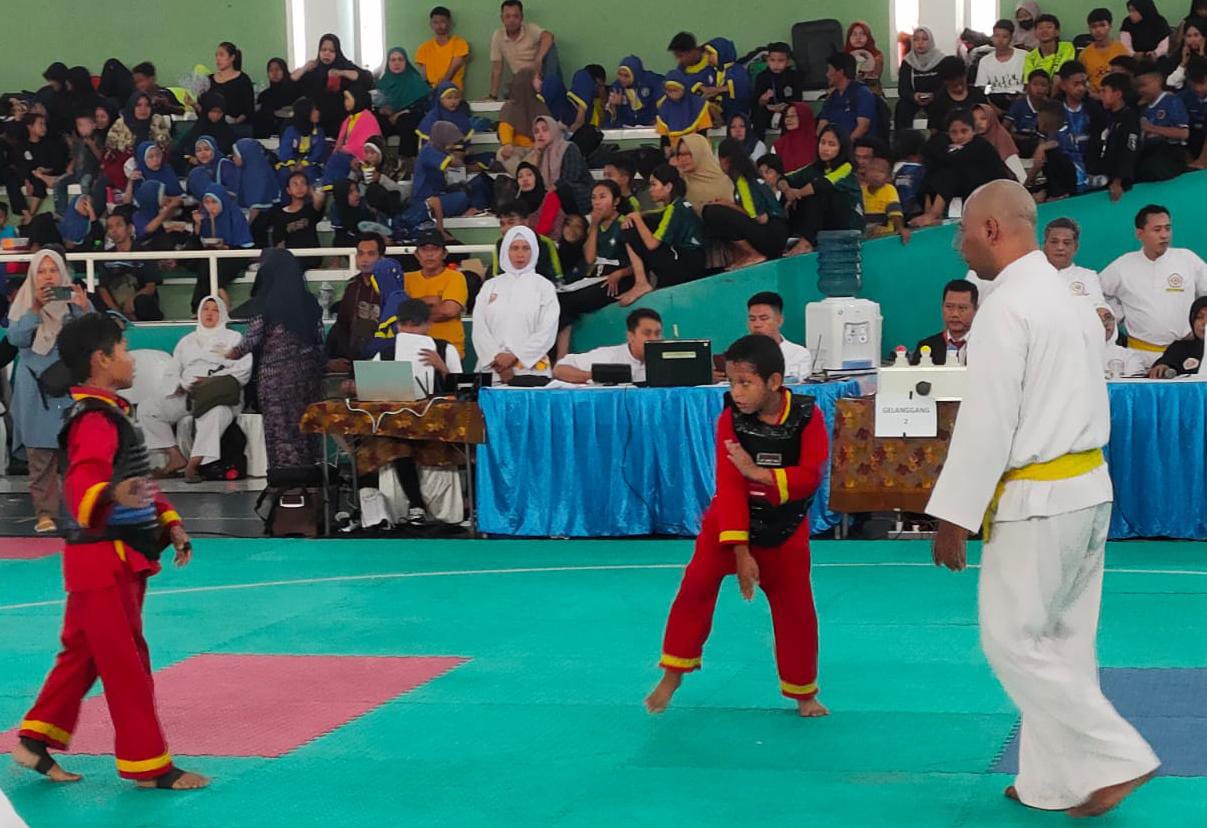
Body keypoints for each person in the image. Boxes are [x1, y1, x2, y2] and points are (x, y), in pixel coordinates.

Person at [927, 179, 1160, 818]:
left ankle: (1117, 756)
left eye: (965, 230)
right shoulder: (1066, 297)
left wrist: (953, 514)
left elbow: (989, 418)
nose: (958, 243)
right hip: (1086, 487)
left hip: (1040, 495)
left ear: (994, 230)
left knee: (1013, 641)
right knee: (1061, 642)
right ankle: (1055, 782)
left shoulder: (1007, 306)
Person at [11, 313, 209, 791]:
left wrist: (169, 522)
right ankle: (149, 765)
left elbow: (133, 480)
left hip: (105, 560)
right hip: (104, 560)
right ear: (101, 360)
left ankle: (34, 742)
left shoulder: (110, 412)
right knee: (126, 662)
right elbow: (84, 480)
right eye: (122, 349)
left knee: (83, 654)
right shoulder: (95, 418)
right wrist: (108, 497)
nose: (130, 359)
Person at [644, 333, 829, 717]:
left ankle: (803, 692)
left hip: (786, 526)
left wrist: (759, 473)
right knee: (694, 586)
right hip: (730, 523)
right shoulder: (730, 417)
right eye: (731, 382)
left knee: (796, 609)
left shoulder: (809, 416)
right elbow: (728, 487)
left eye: (745, 383)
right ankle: (673, 672)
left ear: (774, 382)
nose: (737, 392)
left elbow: (810, 475)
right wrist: (740, 551)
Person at [7, 248, 91, 533]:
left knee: (74, 456)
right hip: (35, 391)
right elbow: (16, 338)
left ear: (61, 273)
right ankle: (45, 513)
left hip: (69, 390)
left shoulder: (72, 305)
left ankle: (79, 511)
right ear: (33, 276)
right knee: (40, 458)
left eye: (52, 270)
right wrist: (34, 310)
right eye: (41, 271)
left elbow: (90, 339)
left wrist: (83, 308)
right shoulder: (22, 305)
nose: (47, 276)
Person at [227, 249, 324, 468]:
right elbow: (319, 342)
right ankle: (310, 479)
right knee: (306, 428)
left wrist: (230, 353)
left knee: (280, 431)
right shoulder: (309, 302)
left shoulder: (266, 303)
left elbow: (250, 342)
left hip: (275, 380)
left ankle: (287, 482)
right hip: (308, 377)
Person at [141, 296, 252, 482]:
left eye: (215, 310)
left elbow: (242, 370)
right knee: (148, 409)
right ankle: (175, 456)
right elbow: (173, 370)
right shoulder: (187, 341)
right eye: (205, 309)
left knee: (216, 414)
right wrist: (181, 385)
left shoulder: (233, 339)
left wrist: (209, 381)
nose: (209, 313)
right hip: (188, 393)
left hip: (217, 395)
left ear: (222, 314)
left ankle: (194, 464)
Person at [1099, 204, 1207, 369]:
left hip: (1185, 354)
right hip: (1140, 355)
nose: (1164, 235)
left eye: (1167, 229)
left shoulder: (1187, 259)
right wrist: (1118, 314)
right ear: (1139, 233)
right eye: (1157, 230)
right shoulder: (1123, 265)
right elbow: (1099, 295)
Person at [553, 181, 633, 356]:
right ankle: (560, 356)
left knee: (566, 302)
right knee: (556, 299)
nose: (597, 202)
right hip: (598, 278)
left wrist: (621, 273)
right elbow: (590, 258)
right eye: (594, 198)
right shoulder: (597, 226)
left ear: (616, 201)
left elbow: (638, 262)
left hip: (618, 280)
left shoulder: (624, 223)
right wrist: (594, 226)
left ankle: (561, 357)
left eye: (602, 197)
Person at [473, 225, 559, 382]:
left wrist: (515, 356)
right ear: (506, 250)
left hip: (531, 369)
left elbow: (547, 331)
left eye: (526, 248)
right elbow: (479, 327)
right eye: (514, 248)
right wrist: (496, 358)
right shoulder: (490, 286)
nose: (520, 254)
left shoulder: (544, 287)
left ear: (534, 251)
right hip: (492, 368)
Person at [613, 164, 706, 306]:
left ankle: (641, 283)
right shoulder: (679, 203)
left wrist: (637, 218)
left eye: (653, 185)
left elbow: (652, 245)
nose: (650, 190)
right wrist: (637, 216)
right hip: (694, 261)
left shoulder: (674, 209)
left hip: (686, 267)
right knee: (641, 222)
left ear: (668, 187)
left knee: (630, 231)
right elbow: (656, 215)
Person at [911, 110, 1015, 228]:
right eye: (954, 132)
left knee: (949, 171)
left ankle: (934, 214)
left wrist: (950, 152)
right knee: (936, 169)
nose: (959, 136)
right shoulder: (952, 148)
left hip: (1000, 196)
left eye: (964, 131)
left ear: (974, 131)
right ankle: (929, 211)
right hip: (976, 195)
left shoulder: (980, 145)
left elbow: (952, 166)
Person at [704, 138, 789, 268]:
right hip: (776, 236)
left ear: (726, 160)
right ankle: (744, 253)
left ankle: (753, 254)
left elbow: (760, 218)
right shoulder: (749, 178)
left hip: (772, 238)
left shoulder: (744, 181)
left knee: (712, 212)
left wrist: (728, 205)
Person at [779, 125, 863, 253]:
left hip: (848, 221)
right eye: (822, 143)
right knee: (791, 192)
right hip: (823, 220)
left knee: (819, 193)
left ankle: (807, 242)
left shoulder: (846, 167)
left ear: (842, 148)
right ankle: (786, 238)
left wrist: (798, 193)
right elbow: (784, 178)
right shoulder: (815, 167)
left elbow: (824, 184)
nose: (825, 148)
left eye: (831, 144)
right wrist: (788, 191)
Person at [292, 34, 374, 137]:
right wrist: (304, 68)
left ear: (337, 52)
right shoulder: (313, 69)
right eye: (323, 50)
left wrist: (341, 73)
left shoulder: (343, 66)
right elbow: (292, 81)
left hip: (340, 118)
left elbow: (366, 79)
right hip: (317, 118)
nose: (327, 53)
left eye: (331, 51)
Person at [326, 233, 387, 370]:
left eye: (371, 254)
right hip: (355, 358)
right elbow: (342, 324)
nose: (365, 259)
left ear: (381, 257)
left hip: (383, 359)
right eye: (361, 254)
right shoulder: (352, 286)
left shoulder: (390, 286)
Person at [403, 230, 468, 358]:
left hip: (449, 351)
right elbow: (401, 315)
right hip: (412, 351)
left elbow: (449, 311)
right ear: (416, 254)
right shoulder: (406, 279)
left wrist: (414, 307)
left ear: (444, 253)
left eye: (435, 249)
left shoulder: (456, 277)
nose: (430, 254)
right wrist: (434, 301)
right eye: (424, 249)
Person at [554, 308, 662, 383]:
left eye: (657, 334)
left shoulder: (665, 360)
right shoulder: (607, 356)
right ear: (630, 336)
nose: (653, 339)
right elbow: (559, 369)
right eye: (647, 333)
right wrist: (598, 376)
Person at [96, 210, 164, 321]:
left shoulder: (143, 252)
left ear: (129, 228)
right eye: (110, 227)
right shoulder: (106, 256)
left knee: (143, 301)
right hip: (116, 304)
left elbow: (150, 287)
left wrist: (132, 301)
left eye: (119, 225)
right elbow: (103, 289)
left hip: (138, 304)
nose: (114, 230)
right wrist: (117, 312)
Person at [489, 0, 556, 100]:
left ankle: (551, 87)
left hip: (539, 76)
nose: (512, 20)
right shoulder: (498, 35)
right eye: (507, 16)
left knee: (550, 48)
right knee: (506, 91)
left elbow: (548, 36)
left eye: (516, 16)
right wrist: (492, 96)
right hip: (521, 79)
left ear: (522, 17)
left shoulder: (530, 28)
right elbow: (497, 69)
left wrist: (538, 58)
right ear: (502, 18)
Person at [1134, 61, 1190, 181]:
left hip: (1170, 152)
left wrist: (1151, 128)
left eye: (1144, 85)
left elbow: (1183, 133)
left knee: (1150, 168)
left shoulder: (1171, 101)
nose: (1141, 90)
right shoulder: (1141, 107)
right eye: (1138, 86)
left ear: (1158, 80)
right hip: (1148, 151)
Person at [1091, 73, 1142, 200]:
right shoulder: (1107, 116)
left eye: (1104, 91)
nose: (1101, 95)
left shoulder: (1129, 118)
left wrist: (1118, 181)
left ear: (1118, 94)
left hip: (1116, 180)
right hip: (1102, 174)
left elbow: (1129, 150)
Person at [534, 114, 594, 215]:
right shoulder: (540, 153)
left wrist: (550, 189)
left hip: (578, 194)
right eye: (536, 132)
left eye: (545, 130)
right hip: (553, 196)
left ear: (553, 130)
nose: (540, 135)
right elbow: (532, 178)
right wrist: (538, 155)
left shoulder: (568, 147)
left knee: (561, 190)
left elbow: (570, 177)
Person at [375, 48, 430, 158]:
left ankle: (406, 162)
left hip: (407, 118)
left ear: (406, 62)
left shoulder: (415, 80)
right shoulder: (384, 82)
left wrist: (398, 114)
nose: (397, 63)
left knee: (408, 120)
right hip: (389, 121)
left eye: (400, 59)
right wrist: (382, 109)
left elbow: (421, 106)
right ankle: (378, 162)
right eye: (393, 60)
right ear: (388, 63)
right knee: (375, 120)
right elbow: (377, 103)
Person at [746, 292, 813, 379]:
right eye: (752, 319)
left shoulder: (799, 354)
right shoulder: (740, 353)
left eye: (763, 319)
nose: (757, 324)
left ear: (779, 320)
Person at [910, 280, 977, 366]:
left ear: (975, 309)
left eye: (962, 308)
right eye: (949, 307)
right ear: (942, 307)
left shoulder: (986, 347)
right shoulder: (927, 347)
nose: (955, 314)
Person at [496, 69, 550, 173]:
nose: (541, 82)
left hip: (536, 148)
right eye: (537, 79)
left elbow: (548, 129)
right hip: (517, 149)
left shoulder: (540, 105)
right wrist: (507, 144)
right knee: (501, 154)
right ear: (527, 81)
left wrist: (539, 144)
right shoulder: (510, 107)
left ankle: (524, 176)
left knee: (540, 156)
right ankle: (523, 176)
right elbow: (505, 128)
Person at [1043, 218, 1105, 305]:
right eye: (1054, 242)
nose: (1060, 247)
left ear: (1076, 247)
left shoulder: (1088, 276)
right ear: (1044, 245)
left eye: (1066, 243)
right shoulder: (1031, 276)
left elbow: (1099, 307)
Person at [817, 52, 878, 140]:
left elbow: (863, 127)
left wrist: (845, 147)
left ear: (840, 72)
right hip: (834, 147)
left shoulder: (862, 93)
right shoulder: (831, 97)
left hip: (857, 147)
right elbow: (822, 125)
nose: (827, 74)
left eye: (829, 70)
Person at [270, 171, 323, 267]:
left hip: (311, 258)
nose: (300, 187)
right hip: (290, 261)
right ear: (288, 190)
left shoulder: (310, 210)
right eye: (295, 184)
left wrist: (310, 191)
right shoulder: (280, 214)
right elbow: (278, 241)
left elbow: (319, 199)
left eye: (303, 183)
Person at [896, 27, 945, 131]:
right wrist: (914, 96)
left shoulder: (941, 60)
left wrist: (933, 96)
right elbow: (902, 89)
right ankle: (903, 141)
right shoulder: (907, 62)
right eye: (916, 39)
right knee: (902, 107)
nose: (920, 43)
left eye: (924, 39)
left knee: (941, 106)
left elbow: (945, 86)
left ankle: (937, 140)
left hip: (935, 98)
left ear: (930, 41)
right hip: (914, 99)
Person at [1147, 296, 1207, 377]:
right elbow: (1166, 363)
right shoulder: (1181, 347)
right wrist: (1163, 367)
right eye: (1199, 317)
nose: (1205, 322)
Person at [928, 56, 990, 133]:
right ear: (945, 82)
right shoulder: (939, 99)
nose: (959, 88)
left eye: (962, 83)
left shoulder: (977, 94)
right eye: (954, 85)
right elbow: (934, 129)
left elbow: (989, 120)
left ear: (965, 75)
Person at [753, 42, 803, 136]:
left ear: (787, 61)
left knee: (792, 117)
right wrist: (763, 101)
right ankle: (758, 145)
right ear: (768, 60)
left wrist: (785, 107)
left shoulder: (794, 77)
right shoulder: (762, 77)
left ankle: (785, 147)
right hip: (768, 112)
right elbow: (756, 102)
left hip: (786, 112)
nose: (776, 64)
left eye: (781, 60)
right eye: (772, 60)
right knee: (759, 115)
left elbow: (798, 99)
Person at [415, 6, 470, 90]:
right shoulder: (424, 48)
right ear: (431, 24)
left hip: (453, 93)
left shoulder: (459, 43)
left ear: (449, 22)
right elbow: (424, 76)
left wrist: (438, 89)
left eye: (442, 21)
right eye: (435, 22)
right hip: (431, 94)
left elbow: (452, 70)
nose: (439, 25)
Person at [276, 98, 329, 186]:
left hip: (311, 164)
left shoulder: (319, 132)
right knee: (284, 175)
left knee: (309, 174)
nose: (317, 112)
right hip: (290, 164)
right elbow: (285, 150)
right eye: (313, 110)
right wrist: (292, 166)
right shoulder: (290, 130)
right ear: (305, 113)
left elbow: (318, 153)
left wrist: (303, 165)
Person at [977, 19, 1029, 105]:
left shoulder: (1024, 56)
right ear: (992, 37)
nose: (1000, 40)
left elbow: (1030, 84)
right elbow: (981, 87)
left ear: (1011, 38)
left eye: (1005, 37)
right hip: (995, 100)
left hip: (1020, 99)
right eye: (997, 36)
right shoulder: (985, 61)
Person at [1081, 9, 1133, 94]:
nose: (1098, 30)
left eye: (1102, 25)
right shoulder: (1084, 55)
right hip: (1094, 98)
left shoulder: (1122, 49)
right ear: (1089, 29)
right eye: (1093, 26)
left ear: (1110, 26)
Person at [655, 69, 712, 146]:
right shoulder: (664, 108)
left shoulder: (698, 104)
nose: (672, 93)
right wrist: (666, 150)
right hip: (675, 151)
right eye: (669, 90)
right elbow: (664, 138)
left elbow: (703, 132)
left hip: (697, 148)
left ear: (683, 88)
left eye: (675, 90)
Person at [105, 91, 171, 158]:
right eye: (138, 105)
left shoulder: (157, 120)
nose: (143, 109)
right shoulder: (120, 124)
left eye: (147, 105)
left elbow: (167, 149)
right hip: (123, 165)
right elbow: (110, 153)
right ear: (132, 106)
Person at [974, 104, 1027, 182]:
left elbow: (1019, 174)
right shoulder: (971, 139)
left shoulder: (1001, 137)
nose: (978, 123)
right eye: (974, 119)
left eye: (983, 119)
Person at [861, 157, 909, 244]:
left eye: (881, 172)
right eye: (872, 170)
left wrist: (900, 228)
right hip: (866, 237)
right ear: (865, 174)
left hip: (886, 237)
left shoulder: (889, 189)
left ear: (888, 177)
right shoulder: (861, 191)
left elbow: (894, 212)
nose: (876, 175)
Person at [1005, 69, 1052, 155]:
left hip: (1040, 144)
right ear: (1028, 86)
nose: (1039, 88)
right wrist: (1017, 137)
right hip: (1018, 142)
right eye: (1035, 84)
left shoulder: (1050, 107)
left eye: (1043, 85)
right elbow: (1004, 128)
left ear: (1049, 88)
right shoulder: (1019, 105)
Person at [608, 56, 663, 127]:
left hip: (652, 125)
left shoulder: (652, 80)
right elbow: (611, 119)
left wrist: (659, 121)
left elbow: (664, 105)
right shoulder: (616, 88)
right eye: (620, 75)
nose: (622, 79)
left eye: (626, 76)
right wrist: (613, 106)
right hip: (627, 128)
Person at [252, 57, 300, 139]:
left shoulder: (294, 91)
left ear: (284, 71)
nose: (274, 73)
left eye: (277, 69)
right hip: (267, 136)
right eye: (271, 70)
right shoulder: (264, 95)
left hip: (289, 133)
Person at [1098, 305, 1147, 377]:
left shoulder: (1129, 355)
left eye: (1108, 318)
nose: (1105, 323)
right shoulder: (1078, 353)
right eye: (1098, 319)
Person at [1023, 14, 1077, 80]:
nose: (1044, 31)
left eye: (1049, 27)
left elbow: (1062, 73)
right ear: (1035, 33)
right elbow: (1029, 81)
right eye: (1040, 28)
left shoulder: (1067, 47)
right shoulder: (1030, 57)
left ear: (1057, 32)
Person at [771, 102, 817, 172]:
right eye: (786, 116)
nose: (788, 120)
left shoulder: (819, 143)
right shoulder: (779, 145)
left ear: (804, 116)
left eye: (792, 116)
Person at [1167, 17, 1207, 89]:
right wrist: (1183, 63)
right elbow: (1171, 83)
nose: (1192, 40)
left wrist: (1202, 54)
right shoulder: (1177, 57)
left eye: (1196, 35)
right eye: (1188, 36)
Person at [845, 20, 885, 92]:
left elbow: (874, 78)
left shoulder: (877, 56)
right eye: (854, 34)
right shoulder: (842, 57)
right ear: (849, 37)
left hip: (871, 92)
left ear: (868, 36)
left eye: (862, 34)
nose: (858, 37)